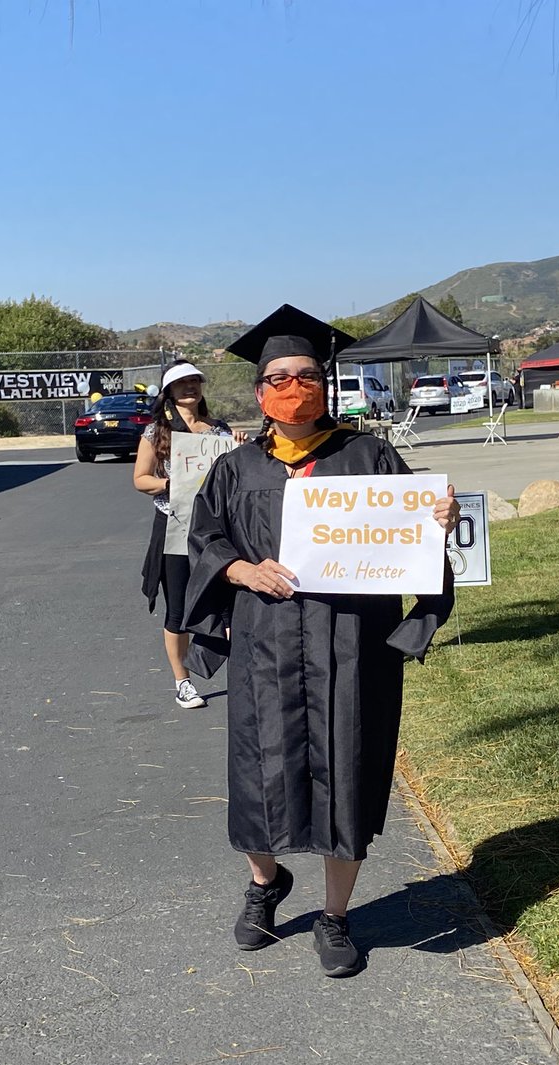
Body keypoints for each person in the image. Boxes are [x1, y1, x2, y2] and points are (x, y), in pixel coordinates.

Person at [184, 305, 459, 977]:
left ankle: (336, 915)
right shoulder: (236, 468)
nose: (292, 385)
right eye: (277, 376)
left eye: (306, 374)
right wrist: (240, 568)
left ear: (325, 383)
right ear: (258, 392)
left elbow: (411, 537)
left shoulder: (368, 455)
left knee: (349, 770)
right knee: (257, 772)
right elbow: (204, 541)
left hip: (349, 645)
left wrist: (438, 521)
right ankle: (264, 884)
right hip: (265, 645)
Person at [134, 360, 242, 709]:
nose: (190, 387)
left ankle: (240, 672)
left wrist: (240, 446)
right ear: (169, 392)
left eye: (195, 381)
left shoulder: (220, 430)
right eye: (182, 383)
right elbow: (140, 478)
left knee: (227, 604)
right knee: (178, 610)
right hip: (175, 529)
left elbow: (237, 474)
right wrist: (173, 483)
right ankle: (183, 681)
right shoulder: (157, 432)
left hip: (216, 529)